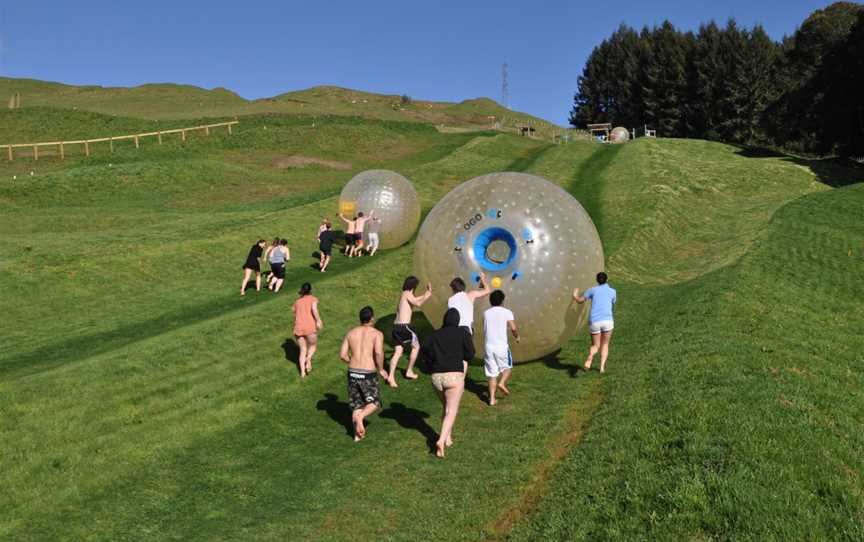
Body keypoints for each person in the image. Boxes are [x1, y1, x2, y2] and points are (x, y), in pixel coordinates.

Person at [421, 308, 475, 458]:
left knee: (445, 407)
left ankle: (448, 438)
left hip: (436, 378)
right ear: (457, 321)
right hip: (454, 377)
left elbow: (424, 350)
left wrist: (431, 363)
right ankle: (441, 440)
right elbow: (470, 354)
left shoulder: (434, 335)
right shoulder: (463, 334)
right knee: (451, 411)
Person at [340, 305, 386, 442]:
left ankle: (356, 435)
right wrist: (381, 368)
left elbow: (342, 355)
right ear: (372, 318)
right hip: (368, 373)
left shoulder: (351, 333)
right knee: (375, 402)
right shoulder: (377, 334)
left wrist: (353, 361)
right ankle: (361, 418)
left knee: (357, 404)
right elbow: (378, 352)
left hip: (353, 372)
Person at [387, 276, 433, 387]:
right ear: (414, 286)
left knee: (398, 352)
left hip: (396, 327)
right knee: (416, 347)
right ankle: (409, 371)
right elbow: (418, 304)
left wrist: (427, 293)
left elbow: (415, 300)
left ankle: (391, 377)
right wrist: (428, 294)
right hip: (404, 327)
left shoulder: (404, 294)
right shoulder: (408, 294)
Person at [572, 272, 617, 373]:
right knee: (605, 344)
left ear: (597, 280)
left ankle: (591, 356)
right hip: (607, 321)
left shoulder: (592, 290)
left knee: (595, 345)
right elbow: (612, 305)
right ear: (607, 279)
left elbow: (580, 301)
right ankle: (601, 368)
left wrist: (575, 296)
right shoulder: (612, 291)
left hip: (595, 321)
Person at [483, 290, 519, 406]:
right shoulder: (507, 312)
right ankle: (502, 383)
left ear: (490, 301)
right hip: (501, 346)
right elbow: (513, 328)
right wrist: (517, 336)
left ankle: (492, 399)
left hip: (489, 347)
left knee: (492, 374)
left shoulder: (486, 313)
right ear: (502, 301)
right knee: (507, 368)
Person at [292, 283, 323, 377]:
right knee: (313, 346)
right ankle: (308, 359)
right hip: (309, 327)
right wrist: (318, 320)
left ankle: (302, 373)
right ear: (310, 290)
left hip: (298, 327)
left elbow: (294, 311)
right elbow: (314, 310)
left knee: (302, 350)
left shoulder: (297, 301)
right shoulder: (313, 299)